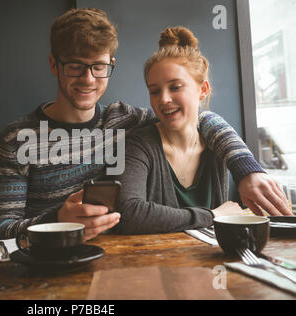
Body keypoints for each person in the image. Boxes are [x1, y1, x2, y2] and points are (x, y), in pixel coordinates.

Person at [0, 8, 292, 241]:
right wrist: (58, 219)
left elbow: (196, 118)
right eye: (75, 65)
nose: (88, 79)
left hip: (115, 257)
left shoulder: (124, 121)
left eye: (99, 66)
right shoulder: (17, 138)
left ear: (111, 66)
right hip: (45, 262)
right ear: (55, 65)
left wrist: (246, 168)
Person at [115, 26, 292, 235]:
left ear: (203, 90)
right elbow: (128, 213)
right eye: (155, 91)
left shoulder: (217, 144)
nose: (163, 99)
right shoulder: (138, 144)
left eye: (175, 87)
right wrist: (213, 215)